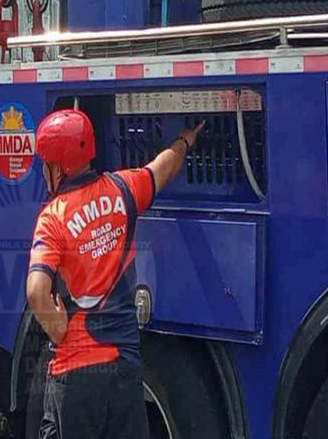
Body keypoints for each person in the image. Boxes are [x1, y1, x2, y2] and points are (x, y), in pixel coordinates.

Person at [26, 107, 203, 439]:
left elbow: (36, 291)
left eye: (45, 164)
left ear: (58, 168)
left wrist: (57, 328)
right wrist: (184, 141)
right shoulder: (123, 188)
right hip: (124, 368)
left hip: (77, 376)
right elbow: (163, 168)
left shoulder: (53, 218)